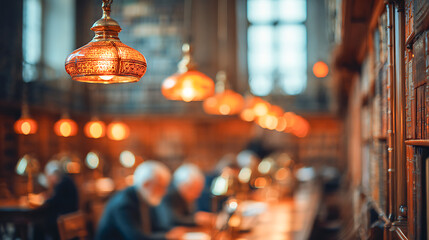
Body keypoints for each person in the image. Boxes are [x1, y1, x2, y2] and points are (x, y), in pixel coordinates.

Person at [95, 161, 185, 240]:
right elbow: (135, 237)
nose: (164, 192)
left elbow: (153, 227)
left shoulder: (145, 196)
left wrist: (170, 231)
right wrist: (166, 237)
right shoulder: (123, 204)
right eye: (161, 187)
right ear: (146, 184)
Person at [33, 160, 79, 240]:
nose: (49, 180)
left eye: (49, 177)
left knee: (37, 224)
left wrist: (43, 200)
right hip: (70, 217)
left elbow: (54, 202)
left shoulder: (62, 184)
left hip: (63, 219)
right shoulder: (66, 181)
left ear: (54, 175)